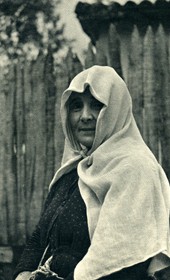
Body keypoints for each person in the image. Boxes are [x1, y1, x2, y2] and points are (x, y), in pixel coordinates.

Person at [13, 65, 170, 280]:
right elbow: (40, 236)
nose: (85, 116)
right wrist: (22, 273)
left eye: (97, 106)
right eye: (76, 107)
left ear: (116, 109)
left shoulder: (134, 169)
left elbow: (118, 262)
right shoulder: (72, 172)